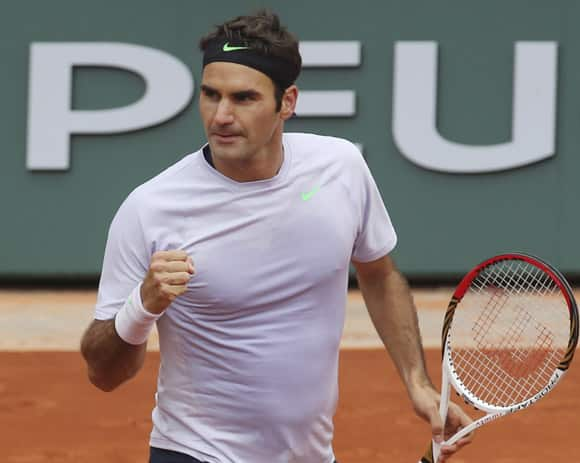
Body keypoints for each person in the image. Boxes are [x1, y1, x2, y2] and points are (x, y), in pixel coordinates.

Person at [80, 9, 472, 463]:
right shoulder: (150, 209)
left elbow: (380, 275)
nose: (221, 115)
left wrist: (418, 384)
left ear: (286, 102)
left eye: (243, 98)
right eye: (210, 95)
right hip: (195, 452)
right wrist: (142, 305)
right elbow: (103, 373)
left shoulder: (339, 168)